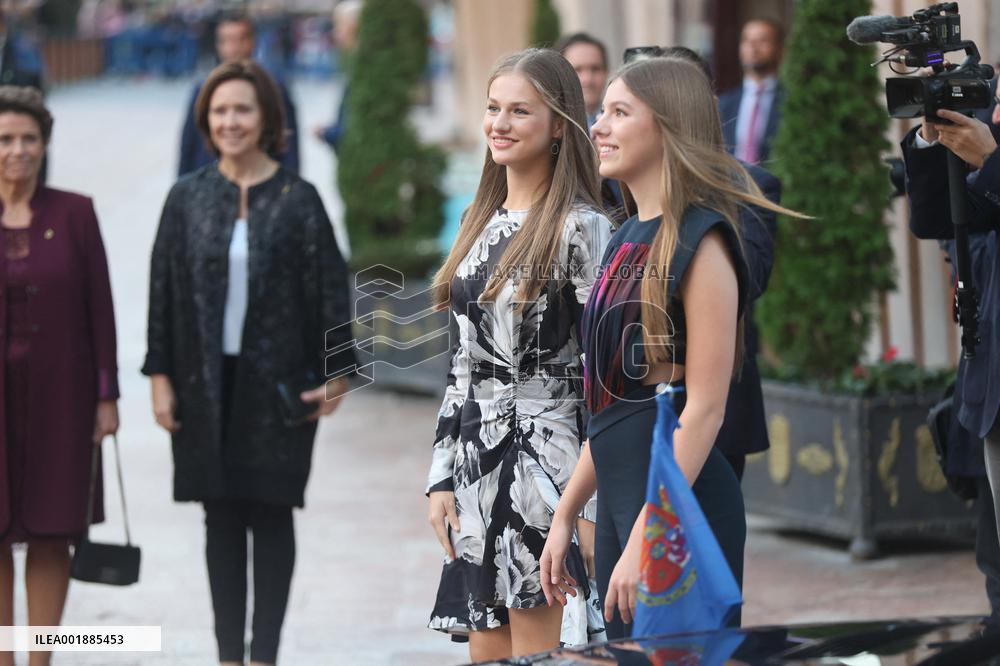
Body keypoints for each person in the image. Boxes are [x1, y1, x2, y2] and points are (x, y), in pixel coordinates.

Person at [539, 56, 799, 640]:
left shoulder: (704, 241)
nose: (598, 126)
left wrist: (648, 535)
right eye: (602, 112)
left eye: (619, 112)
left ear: (667, 125)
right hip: (624, 502)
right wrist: (565, 513)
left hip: (678, 506)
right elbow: (612, 404)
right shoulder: (625, 237)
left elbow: (703, 409)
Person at [144, 61, 355, 666]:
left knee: (273, 511)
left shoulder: (299, 199)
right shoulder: (186, 198)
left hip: (279, 384)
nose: (230, 121)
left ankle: (263, 656)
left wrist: (339, 373)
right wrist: (160, 379)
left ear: (266, 118)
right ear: (205, 122)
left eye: (242, 109)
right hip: (205, 383)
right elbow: (163, 293)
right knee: (220, 517)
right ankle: (227, 657)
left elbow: (331, 290)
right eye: (219, 111)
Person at [425, 48, 613, 660]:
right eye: (492, 108)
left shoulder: (584, 227)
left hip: (550, 469)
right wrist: (440, 476)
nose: (499, 124)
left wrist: (589, 507)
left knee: (542, 652)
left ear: (559, 124)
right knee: (487, 653)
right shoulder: (477, 220)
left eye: (519, 111)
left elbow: (605, 378)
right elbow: (461, 365)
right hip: (476, 467)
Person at [0, 86, 119, 666]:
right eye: (5, 139)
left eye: (29, 138)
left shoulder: (75, 213)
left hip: (60, 399)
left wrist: (106, 395)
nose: (17, 150)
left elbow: (102, 309)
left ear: (45, 145)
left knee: (52, 529)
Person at [901, 82, 1000, 625]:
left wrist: (991, 160)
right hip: (993, 382)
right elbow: (935, 220)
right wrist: (930, 138)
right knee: (996, 564)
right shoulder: (988, 126)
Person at [662, 45, 780, 481]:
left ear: (707, 106)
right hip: (634, 408)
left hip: (719, 411)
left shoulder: (750, 185)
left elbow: (750, 279)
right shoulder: (619, 188)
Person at [177, 11, 299, 177]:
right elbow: (189, 144)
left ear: (253, 42)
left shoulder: (274, 88)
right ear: (218, 45)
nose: (234, 48)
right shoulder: (203, 89)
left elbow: (289, 145)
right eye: (227, 40)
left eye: (241, 39)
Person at [718, 18, 785, 165]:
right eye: (747, 41)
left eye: (762, 41)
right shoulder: (723, 104)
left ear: (780, 48)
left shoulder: (790, 102)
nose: (753, 47)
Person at [313, 0, 362, 153]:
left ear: (354, 27)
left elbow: (354, 128)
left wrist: (326, 133)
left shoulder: (364, 67)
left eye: (339, 26)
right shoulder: (355, 63)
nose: (335, 33)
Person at [554, 32, 608, 130]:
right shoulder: (551, 127)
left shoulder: (622, 124)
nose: (588, 79)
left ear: (606, 72)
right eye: (577, 70)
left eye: (595, 69)